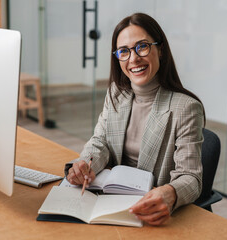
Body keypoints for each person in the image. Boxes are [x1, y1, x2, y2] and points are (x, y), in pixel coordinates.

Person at [65, 12, 204, 225]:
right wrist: (85, 163)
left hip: (149, 214)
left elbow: (191, 177)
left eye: (142, 47)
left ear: (161, 49)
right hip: (110, 204)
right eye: (124, 51)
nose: (133, 58)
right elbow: (99, 142)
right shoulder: (116, 93)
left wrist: (170, 193)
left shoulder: (185, 108)